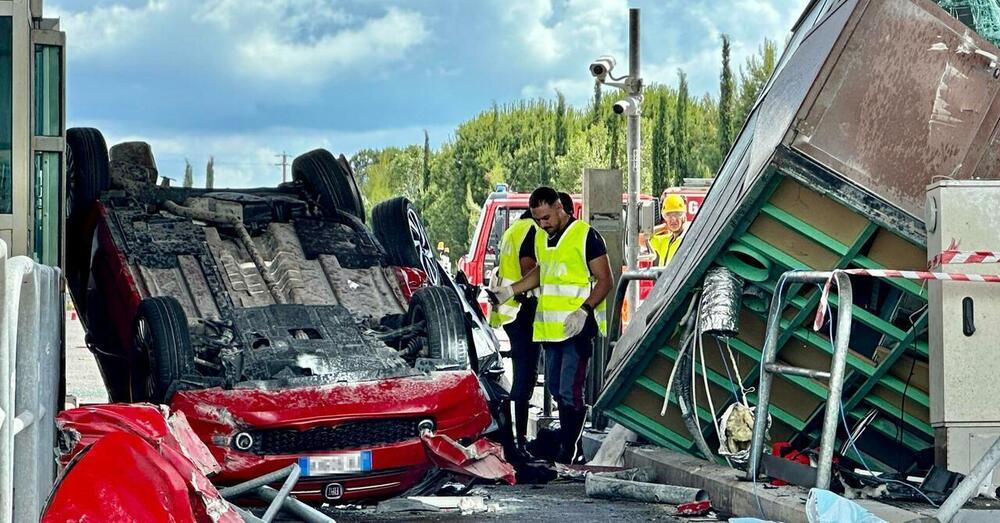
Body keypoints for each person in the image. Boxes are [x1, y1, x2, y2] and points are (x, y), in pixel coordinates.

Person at [490, 186, 612, 464]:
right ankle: (568, 445)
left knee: (570, 391)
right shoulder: (542, 239)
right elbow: (541, 273)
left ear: (560, 207)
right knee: (557, 389)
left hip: (577, 329)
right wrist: (511, 291)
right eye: (537, 219)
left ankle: (569, 450)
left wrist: (585, 310)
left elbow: (606, 279)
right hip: (551, 330)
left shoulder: (586, 236)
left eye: (545, 218)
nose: (541, 224)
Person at [488, 210, 539, 461]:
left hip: (509, 312)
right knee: (524, 379)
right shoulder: (532, 230)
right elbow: (528, 268)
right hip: (523, 309)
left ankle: (516, 441)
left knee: (521, 375)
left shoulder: (512, 231)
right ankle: (519, 443)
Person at [649, 193, 688, 266]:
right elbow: (643, 237)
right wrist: (664, 226)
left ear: (684, 216)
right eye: (668, 215)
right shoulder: (665, 241)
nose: (673, 219)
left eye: (677, 214)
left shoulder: (688, 240)